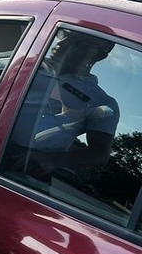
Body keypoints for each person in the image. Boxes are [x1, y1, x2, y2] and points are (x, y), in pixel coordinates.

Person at [12, 31, 120, 178]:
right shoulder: (30, 66)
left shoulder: (101, 102)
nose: (61, 44)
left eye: (77, 42)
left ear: (98, 55)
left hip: (29, 169)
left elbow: (99, 153)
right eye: (63, 35)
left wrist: (52, 160)